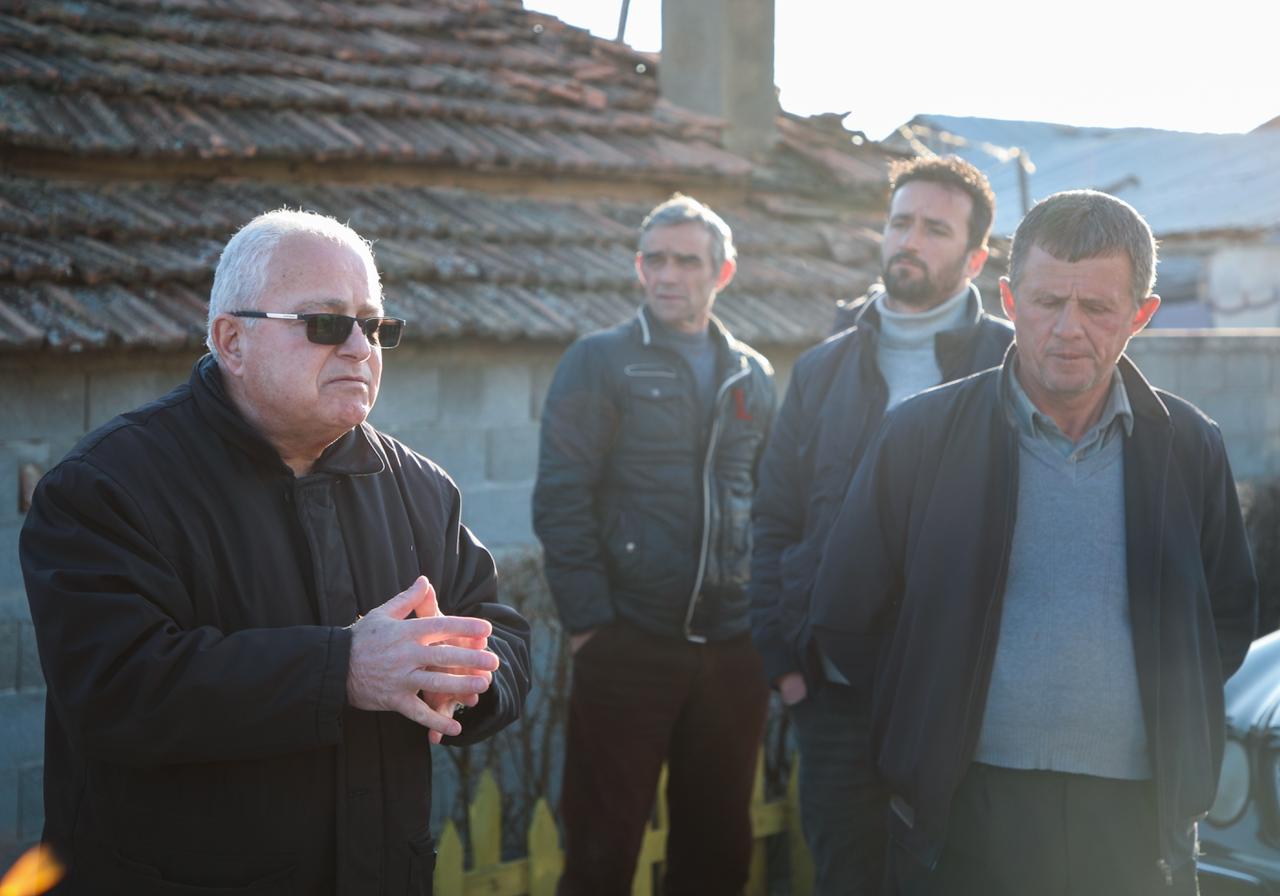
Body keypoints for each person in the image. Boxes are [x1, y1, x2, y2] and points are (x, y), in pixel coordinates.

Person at [20, 210, 532, 894]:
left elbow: (503, 635)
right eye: (325, 323)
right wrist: (344, 669)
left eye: (373, 325)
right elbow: (116, 691)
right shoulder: (106, 486)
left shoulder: (421, 488)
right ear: (232, 341)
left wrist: (464, 677)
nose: (359, 348)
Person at [809, 190, 1258, 895]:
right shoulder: (922, 436)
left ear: (1141, 315)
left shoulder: (1189, 445)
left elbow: (1226, 618)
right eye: (1048, 302)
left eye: (1097, 307)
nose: (1068, 329)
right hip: (961, 812)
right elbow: (845, 612)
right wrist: (928, 709)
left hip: (1137, 821)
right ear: (1011, 301)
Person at [748, 155, 1011, 894]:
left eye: (936, 229)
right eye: (901, 222)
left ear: (976, 257)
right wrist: (785, 664)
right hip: (834, 696)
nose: (910, 240)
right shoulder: (822, 368)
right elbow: (775, 516)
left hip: (964, 701)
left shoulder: (1010, 364)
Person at [533, 194, 776, 895]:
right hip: (629, 642)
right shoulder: (599, 360)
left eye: (687, 261)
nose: (668, 275)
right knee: (602, 855)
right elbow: (561, 496)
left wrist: (762, 619)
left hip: (732, 650)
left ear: (722, 272)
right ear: (640, 268)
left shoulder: (753, 373)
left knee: (717, 854)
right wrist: (590, 626)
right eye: (655, 260)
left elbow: (769, 502)